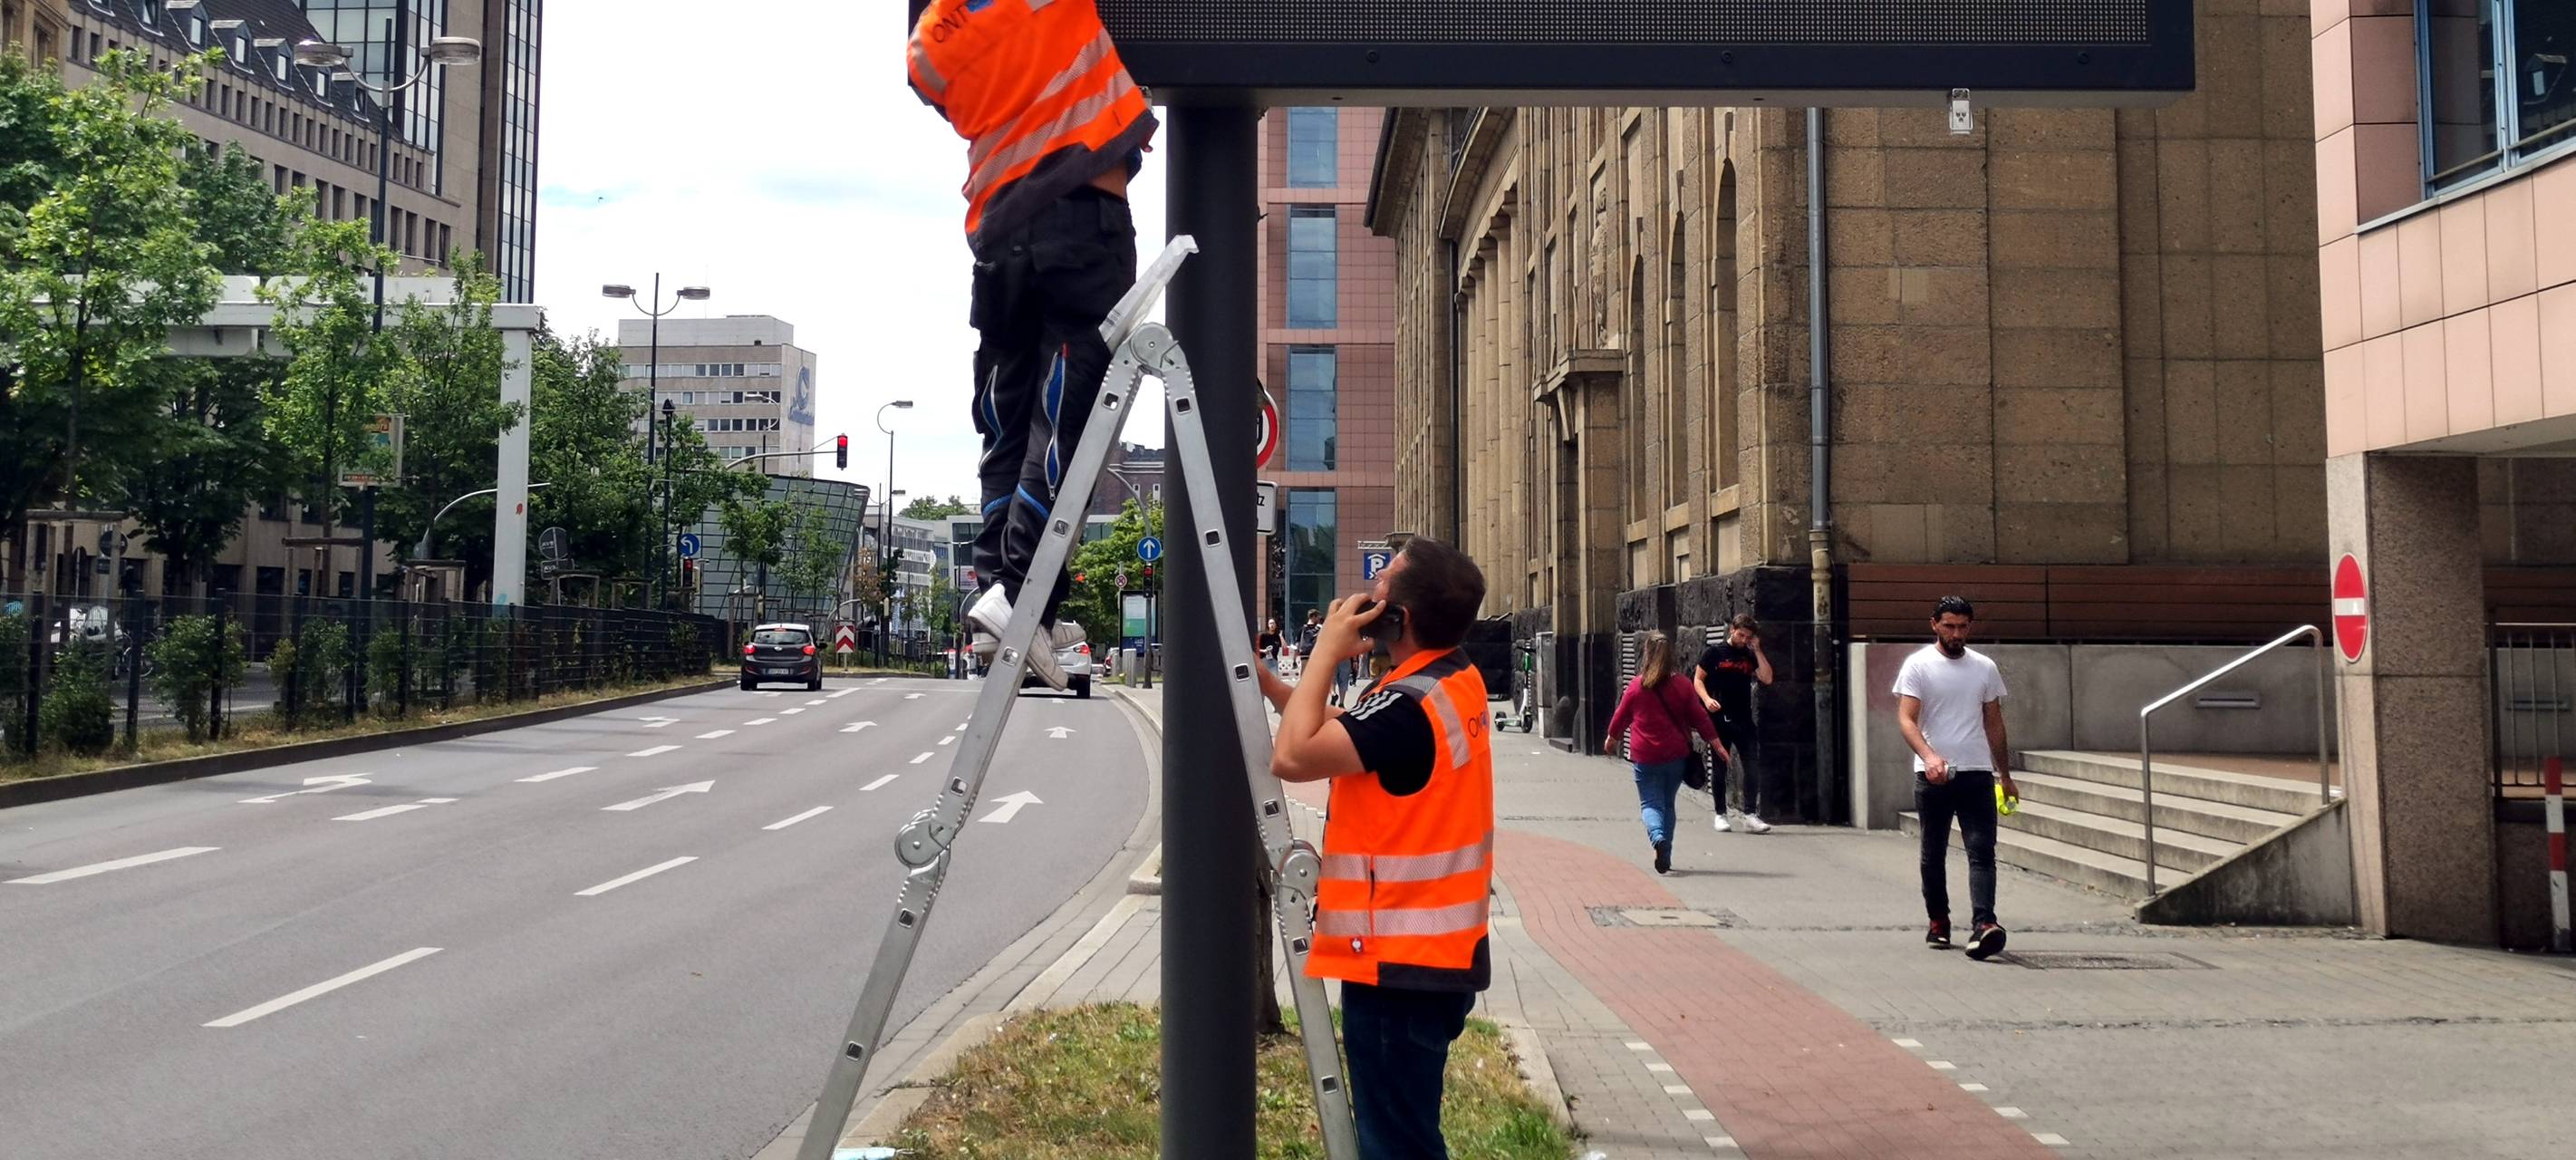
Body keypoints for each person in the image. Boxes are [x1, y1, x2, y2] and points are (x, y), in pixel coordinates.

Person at [909, 0, 1158, 691]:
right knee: (1062, 428)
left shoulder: (930, 41)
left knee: (1006, 426)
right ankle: (1022, 599)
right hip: (1081, 221)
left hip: (996, 231)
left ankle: (1001, 593)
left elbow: (940, 81)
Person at [1257, 536, 1492, 1160]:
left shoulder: (1407, 705)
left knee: (1397, 1147)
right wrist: (1275, 688)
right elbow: (1350, 729)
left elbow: (1293, 756)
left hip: (1399, 966)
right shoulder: (1446, 678)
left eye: (1382, 582)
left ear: (1398, 619)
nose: (1368, 586)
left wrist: (1324, 653)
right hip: (1431, 958)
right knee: (1406, 1136)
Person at [1895, 595, 2017, 961]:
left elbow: (1994, 722)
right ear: (1934, 624)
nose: (1956, 633)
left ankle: (1984, 924)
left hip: (1977, 773)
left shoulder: (1984, 667)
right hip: (1933, 777)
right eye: (1949, 626)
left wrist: (2005, 775)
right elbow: (1906, 720)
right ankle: (1939, 921)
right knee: (1932, 854)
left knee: (1982, 852)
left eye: (1963, 627)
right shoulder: (1918, 666)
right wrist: (1929, 756)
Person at [1604, 631, 1722, 875]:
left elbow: (1621, 715)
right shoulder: (1682, 685)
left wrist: (1611, 738)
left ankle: (1658, 838)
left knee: (1650, 803)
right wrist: (1716, 743)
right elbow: (1699, 717)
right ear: (1671, 655)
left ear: (1646, 653)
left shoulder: (1637, 686)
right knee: (1667, 804)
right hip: (1675, 756)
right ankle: (1665, 852)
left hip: (1645, 756)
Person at [1693, 614, 1776, 834]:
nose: (1743, 639)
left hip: (1744, 718)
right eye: (1740, 635)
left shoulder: (1749, 654)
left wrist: (1757, 649)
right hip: (1719, 719)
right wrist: (1707, 699)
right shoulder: (1714, 653)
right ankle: (1720, 814)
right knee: (1720, 766)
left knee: (1752, 765)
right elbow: (1698, 679)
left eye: (1748, 636)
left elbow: (1767, 678)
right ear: (1732, 630)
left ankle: (1750, 814)